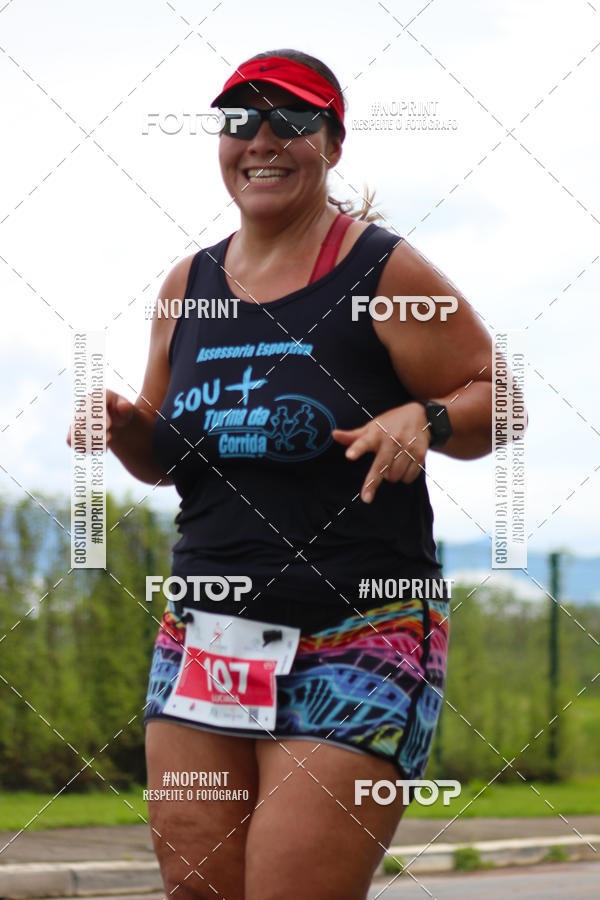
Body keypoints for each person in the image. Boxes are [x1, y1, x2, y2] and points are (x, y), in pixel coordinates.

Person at [100, 48, 503, 900]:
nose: (261, 138)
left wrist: (423, 418)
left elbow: (497, 399)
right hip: (207, 635)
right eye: (240, 119)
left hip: (357, 633)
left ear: (333, 143)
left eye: (290, 119)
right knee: (202, 890)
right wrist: (130, 428)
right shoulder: (189, 285)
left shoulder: (382, 271)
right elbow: (165, 460)